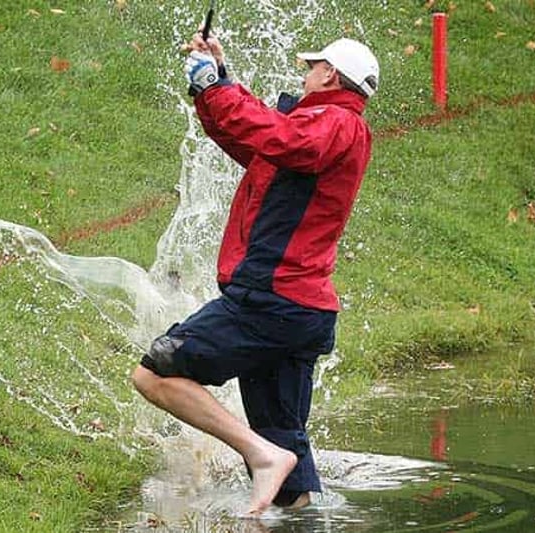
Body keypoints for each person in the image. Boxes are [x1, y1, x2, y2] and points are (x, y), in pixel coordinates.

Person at [130, 31, 379, 515]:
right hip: (297, 311)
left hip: (269, 303)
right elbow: (256, 137)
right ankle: (286, 487)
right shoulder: (321, 129)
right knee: (287, 468)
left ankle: (259, 454)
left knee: (155, 372)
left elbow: (279, 136)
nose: (305, 75)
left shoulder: (336, 123)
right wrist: (215, 84)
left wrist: (216, 87)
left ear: (330, 74)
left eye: (312, 67)